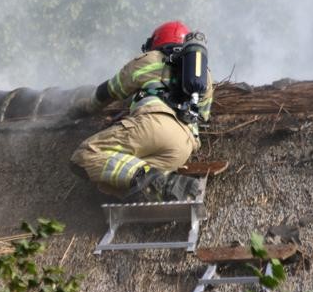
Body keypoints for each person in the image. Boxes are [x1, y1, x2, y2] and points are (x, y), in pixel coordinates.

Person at [68, 21, 213, 202]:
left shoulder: (150, 59)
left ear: (156, 41)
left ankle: (158, 182)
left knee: (85, 155)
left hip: (152, 127)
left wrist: (83, 108)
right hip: (183, 147)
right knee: (126, 184)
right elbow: (203, 115)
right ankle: (166, 185)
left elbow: (111, 90)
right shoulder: (204, 77)